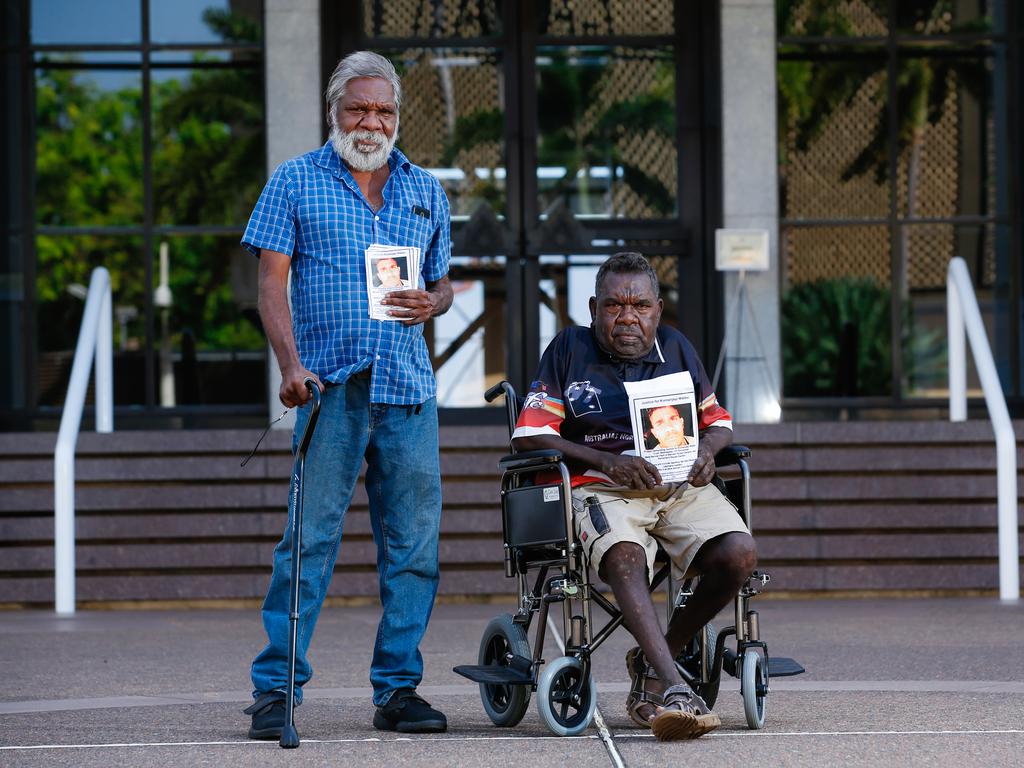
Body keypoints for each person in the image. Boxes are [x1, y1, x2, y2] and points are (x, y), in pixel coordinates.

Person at [240, 51, 454, 739]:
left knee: (414, 549)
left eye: (384, 110)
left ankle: (397, 691)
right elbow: (270, 282)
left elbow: (446, 279)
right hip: (329, 390)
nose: (371, 122)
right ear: (334, 111)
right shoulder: (296, 180)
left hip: (409, 392)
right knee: (308, 543)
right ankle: (276, 690)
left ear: (398, 116)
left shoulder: (426, 189)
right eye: (358, 109)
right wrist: (289, 364)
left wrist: (434, 300)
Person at [511, 252, 757, 742]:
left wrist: (708, 451)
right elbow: (529, 434)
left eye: (639, 305)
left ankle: (653, 657)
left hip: (676, 485)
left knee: (739, 553)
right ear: (592, 307)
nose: (627, 316)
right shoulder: (568, 349)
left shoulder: (677, 348)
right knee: (623, 557)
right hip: (602, 487)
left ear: (658, 310)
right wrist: (606, 461)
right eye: (614, 305)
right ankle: (671, 688)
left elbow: (719, 424)